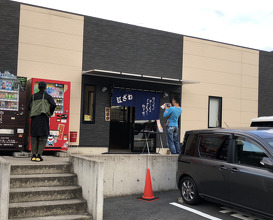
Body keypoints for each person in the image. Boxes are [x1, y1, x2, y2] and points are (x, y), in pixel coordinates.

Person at [28, 81, 56, 162]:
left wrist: (32, 112)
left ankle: (33, 155)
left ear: (38, 87)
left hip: (34, 119)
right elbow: (53, 105)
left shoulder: (33, 96)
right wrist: (49, 112)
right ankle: (39, 156)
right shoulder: (48, 96)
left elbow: (28, 107)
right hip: (44, 118)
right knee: (43, 138)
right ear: (45, 88)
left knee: (34, 137)